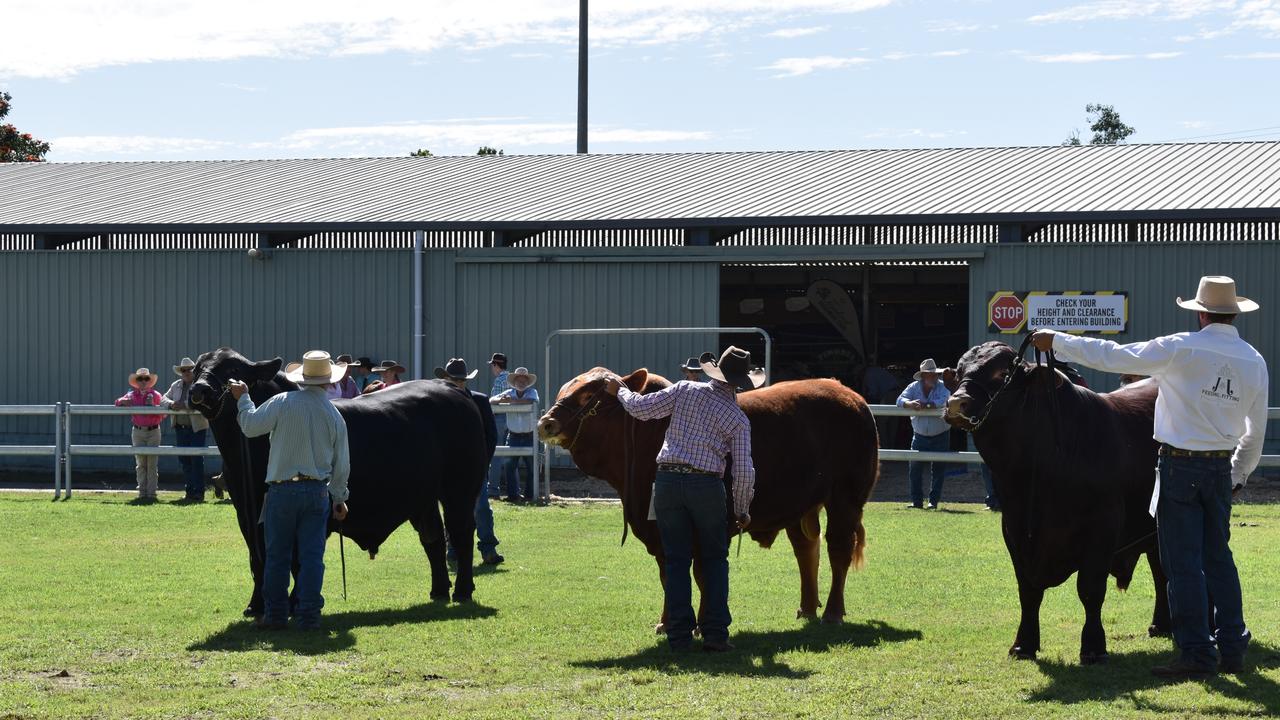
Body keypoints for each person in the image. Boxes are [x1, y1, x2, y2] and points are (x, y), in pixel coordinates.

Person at [1031, 275, 1267, 680]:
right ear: (1232, 313)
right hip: (1218, 467)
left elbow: (1114, 356)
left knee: (1183, 562)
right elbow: (1255, 431)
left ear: (1201, 313)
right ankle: (1231, 644)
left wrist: (1059, 341)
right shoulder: (1253, 360)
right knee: (1219, 559)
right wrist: (1238, 474)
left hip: (1180, 465)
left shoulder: (1181, 348)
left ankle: (1195, 650)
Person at [605, 346, 761, 652]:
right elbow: (743, 470)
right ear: (741, 384)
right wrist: (742, 509)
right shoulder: (738, 419)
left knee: (676, 559)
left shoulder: (686, 389)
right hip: (705, 484)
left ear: (715, 372)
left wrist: (620, 391)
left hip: (666, 480)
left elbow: (640, 408)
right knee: (715, 560)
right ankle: (715, 634)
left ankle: (678, 634)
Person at [229, 350, 351, 631]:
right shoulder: (334, 415)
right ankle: (308, 615)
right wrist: (340, 498)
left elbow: (249, 426)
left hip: (282, 491)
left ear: (303, 378)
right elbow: (341, 464)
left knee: (278, 556)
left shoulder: (282, 402)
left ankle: (276, 615)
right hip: (317, 492)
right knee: (311, 558)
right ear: (329, 382)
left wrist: (243, 398)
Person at [436, 358, 505, 566]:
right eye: (454, 380)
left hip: (475, 465)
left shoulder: (480, 400)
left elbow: (491, 435)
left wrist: (483, 462)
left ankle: (488, 548)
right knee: (451, 509)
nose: (458, 384)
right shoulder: (438, 403)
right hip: (448, 466)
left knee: (481, 507)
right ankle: (453, 547)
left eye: (460, 380)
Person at [897, 358, 953, 510]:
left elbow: (945, 400)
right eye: (929, 375)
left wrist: (924, 405)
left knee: (939, 471)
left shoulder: (943, 387)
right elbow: (899, 400)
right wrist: (909, 404)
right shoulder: (913, 387)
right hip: (919, 435)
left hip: (940, 434)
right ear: (923, 376)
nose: (933, 377)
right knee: (914, 470)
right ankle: (917, 502)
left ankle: (933, 502)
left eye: (934, 374)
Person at [162, 357, 210, 503]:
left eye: (189, 369)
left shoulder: (201, 385)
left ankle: (199, 492)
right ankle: (190, 491)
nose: (187, 372)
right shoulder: (175, 385)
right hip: (180, 428)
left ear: (194, 370)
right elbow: (163, 398)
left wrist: (184, 405)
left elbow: (203, 402)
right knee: (184, 460)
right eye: (184, 370)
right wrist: (171, 404)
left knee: (196, 460)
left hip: (197, 428)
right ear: (181, 372)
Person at [115, 367, 165, 502]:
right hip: (137, 431)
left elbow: (164, 414)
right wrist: (123, 402)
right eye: (140, 379)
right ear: (136, 381)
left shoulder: (156, 395)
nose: (143, 381)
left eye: (146, 379)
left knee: (152, 464)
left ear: (149, 381)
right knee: (141, 463)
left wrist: (154, 407)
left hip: (153, 431)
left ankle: (152, 493)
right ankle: (142, 492)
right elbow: (117, 402)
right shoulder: (132, 395)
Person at [492, 367, 540, 502]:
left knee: (532, 469)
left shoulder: (532, 392)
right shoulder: (509, 392)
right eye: (518, 380)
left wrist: (509, 401)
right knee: (510, 467)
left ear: (527, 382)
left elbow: (531, 401)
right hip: (513, 436)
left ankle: (530, 496)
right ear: (514, 381)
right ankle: (513, 496)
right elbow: (491, 400)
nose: (521, 382)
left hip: (530, 436)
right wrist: (502, 400)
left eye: (524, 380)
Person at [487, 353, 511, 495]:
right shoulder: (512, 379)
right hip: (513, 419)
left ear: (496, 365)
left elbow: (493, 402)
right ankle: (513, 489)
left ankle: (493, 488)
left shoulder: (499, 381)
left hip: (500, 418)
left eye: (492, 365)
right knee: (511, 454)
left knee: (496, 454)